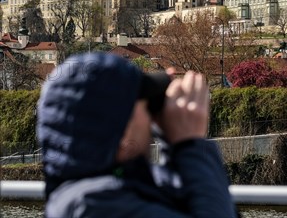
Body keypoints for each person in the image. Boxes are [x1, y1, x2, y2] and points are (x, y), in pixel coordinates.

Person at [37, 52, 237, 217]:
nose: (152, 116)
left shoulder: (97, 191)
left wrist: (173, 144)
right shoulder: (98, 207)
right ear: (122, 130)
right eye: (145, 106)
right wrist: (189, 145)